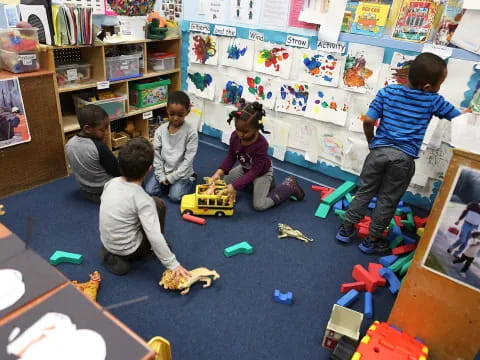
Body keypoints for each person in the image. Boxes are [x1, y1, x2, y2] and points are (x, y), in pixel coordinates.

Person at [336, 52, 461, 254]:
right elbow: (458, 119)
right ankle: (371, 240)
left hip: (378, 152)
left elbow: (368, 120)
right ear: (428, 87)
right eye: (440, 84)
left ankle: (346, 229)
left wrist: (372, 143)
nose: (439, 88)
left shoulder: (387, 92)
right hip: (403, 159)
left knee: (365, 191)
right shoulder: (432, 100)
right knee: (387, 199)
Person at [99, 137, 190, 278]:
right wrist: (173, 264)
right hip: (130, 248)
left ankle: (111, 253)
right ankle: (148, 252)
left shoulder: (111, 183)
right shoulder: (143, 200)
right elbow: (154, 235)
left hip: (108, 241)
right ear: (149, 169)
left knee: (133, 213)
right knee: (158, 204)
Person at [208, 99, 304, 211]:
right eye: (237, 129)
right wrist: (218, 173)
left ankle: (289, 185)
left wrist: (234, 186)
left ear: (256, 128)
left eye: (245, 131)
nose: (240, 134)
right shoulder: (235, 136)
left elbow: (255, 171)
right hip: (245, 168)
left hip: (261, 172)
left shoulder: (262, 145)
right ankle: (252, 185)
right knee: (224, 183)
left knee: (259, 205)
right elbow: (231, 156)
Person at [144, 91, 198, 203]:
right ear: (167, 110)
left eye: (180, 114)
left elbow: (188, 160)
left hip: (182, 174)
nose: (175, 118)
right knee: (149, 191)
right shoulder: (160, 130)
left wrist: (171, 178)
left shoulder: (191, 133)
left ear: (187, 112)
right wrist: (160, 176)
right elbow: (157, 155)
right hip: (164, 171)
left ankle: (191, 180)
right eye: (172, 114)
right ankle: (167, 184)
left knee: (175, 196)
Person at [65, 105, 120, 204]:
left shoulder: (69, 144)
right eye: (102, 130)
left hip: (87, 190)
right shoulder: (98, 147)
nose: (106, 133)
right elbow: (116, 171)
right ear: (87, 129)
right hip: (106, 189)